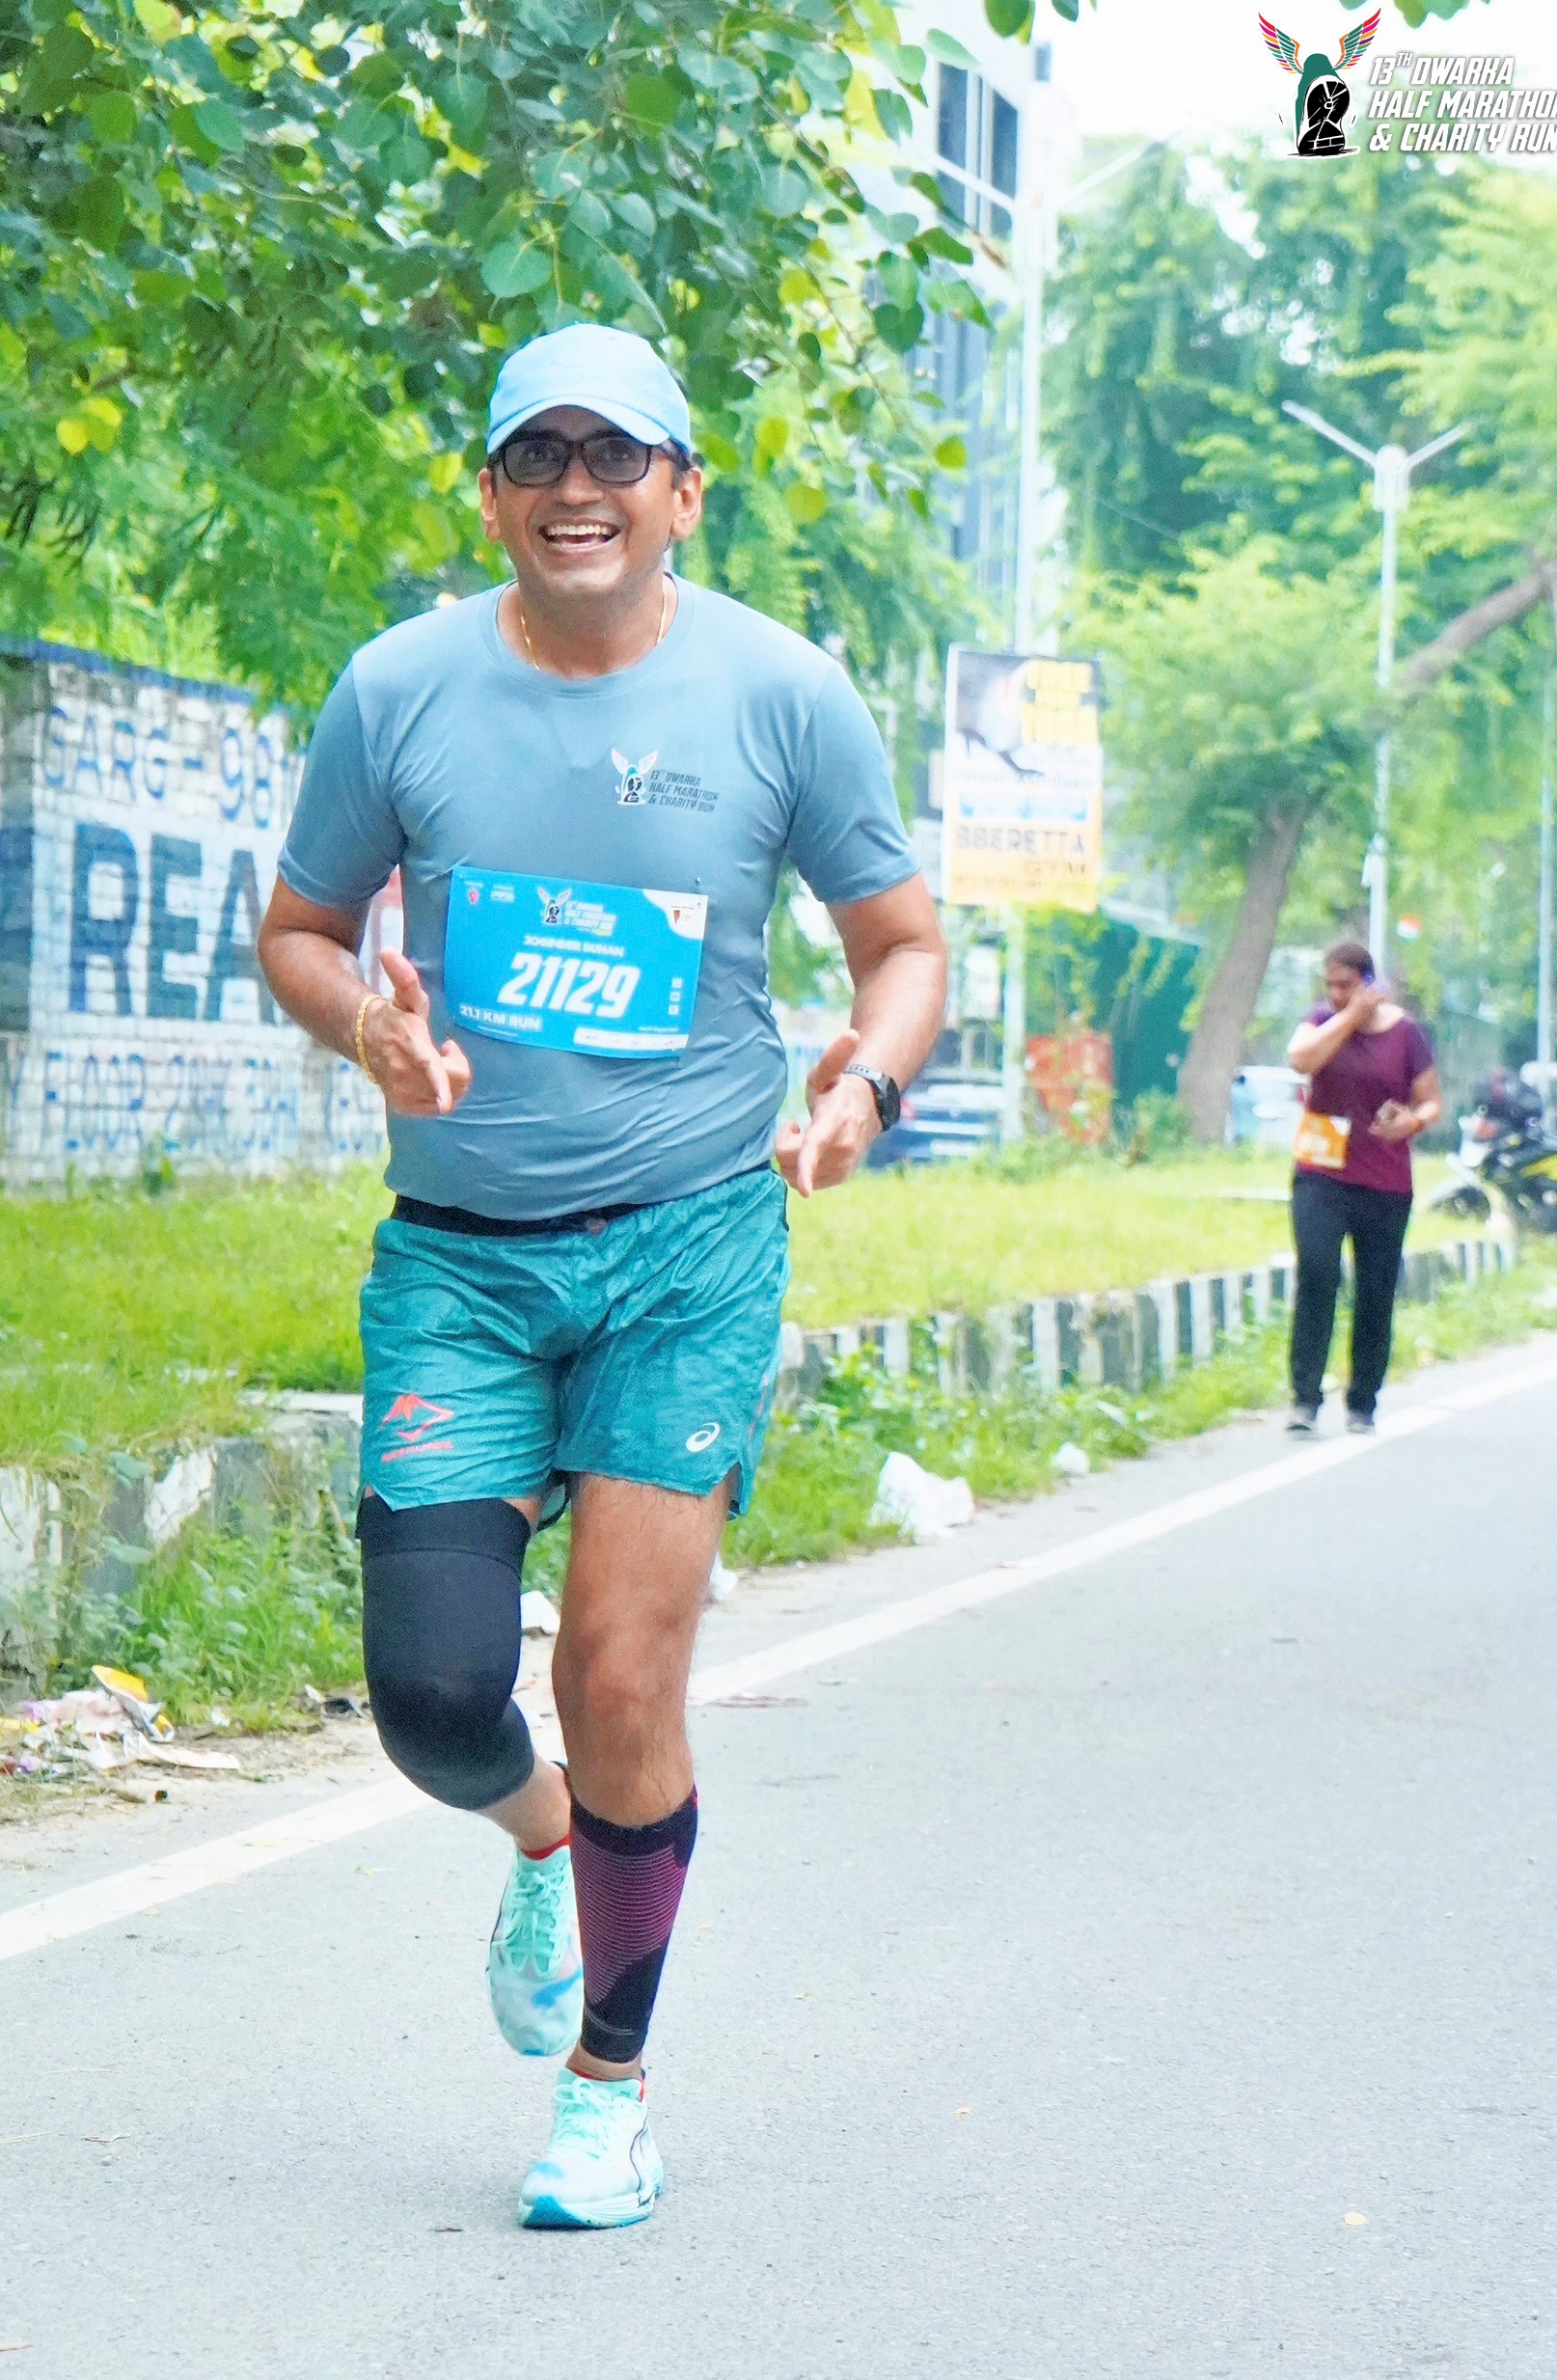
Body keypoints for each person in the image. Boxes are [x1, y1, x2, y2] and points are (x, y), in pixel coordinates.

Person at [258, 321, 946, 2229]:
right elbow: (302, 928)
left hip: (689, 1244)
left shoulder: (782, 694)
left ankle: (607, 2091)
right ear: (491, 494)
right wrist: (369, 1028)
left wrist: (865, 1086)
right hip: (461, 1264)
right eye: (539, 455)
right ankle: (545, 1838)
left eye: (616, 455)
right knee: (432, 1697)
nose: (578, 488)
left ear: (681, 492)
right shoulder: (399, 690)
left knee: (619, 1668)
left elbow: (902, 943)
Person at [1284, 941, 1440, 1435]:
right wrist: (1350, 1016)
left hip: (1384, 1181)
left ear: (1369, 984)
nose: (1335, 994)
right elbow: (1301, 1060)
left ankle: (1362, 1402)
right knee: (1317, 1272)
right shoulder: (1320, 1021)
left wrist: (1413, 1121)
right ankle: (1305, 1398)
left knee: (1375, 1291)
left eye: (1346, 986)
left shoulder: (1406, 1034)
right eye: (1329, 985)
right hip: (1322, 1172)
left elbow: (1431, 1101)